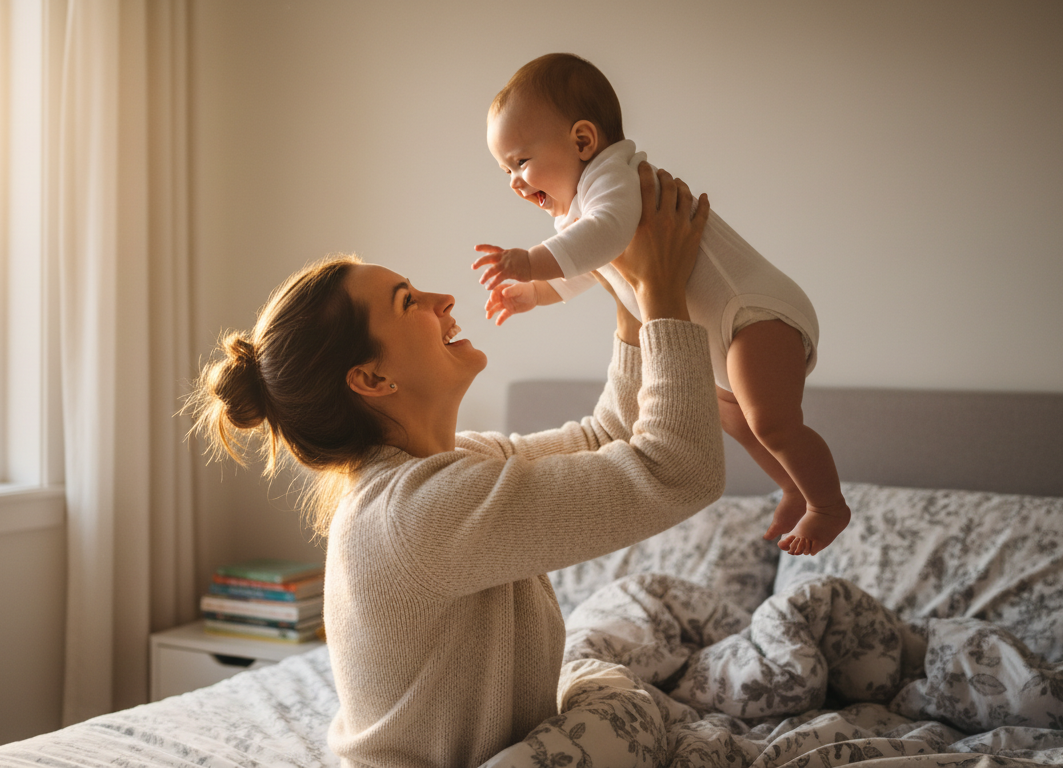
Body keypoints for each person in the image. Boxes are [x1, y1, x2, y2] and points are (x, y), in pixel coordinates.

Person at [189, 164, 724, 768]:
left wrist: (628, 297)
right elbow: (681, 469)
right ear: (372, 378)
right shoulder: (418, 513)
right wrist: (664, 296)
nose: (445, 299)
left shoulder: (453, 465)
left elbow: (605, 438)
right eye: (409, 302)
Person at [473, 52, 849, 556]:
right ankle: (791, 487)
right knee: (735, 419)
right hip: (721, 337)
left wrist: (531, 263)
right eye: (505, 170)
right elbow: (595, 263)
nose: (515, 181)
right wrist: (537, 294)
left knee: (773, 422)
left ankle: (827, 505)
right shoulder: (581, 212)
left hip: (756, 315)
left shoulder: (614, 178)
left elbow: (602, 238)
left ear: (583, 141)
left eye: (520, 161)